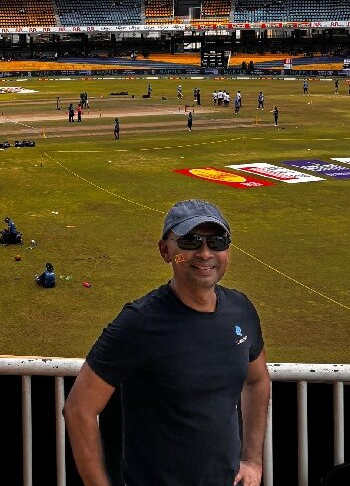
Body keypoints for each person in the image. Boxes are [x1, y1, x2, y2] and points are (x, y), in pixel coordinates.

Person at [63, 200, 270, 486]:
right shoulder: (139, 322)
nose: (205, 253)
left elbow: (257, 381)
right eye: (190, 241)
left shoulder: (241, 309)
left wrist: (252, 460)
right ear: (165, 251)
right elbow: (79, 409)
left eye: (217, 241)